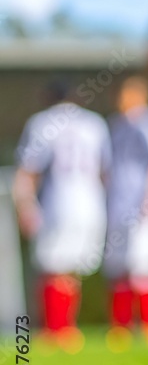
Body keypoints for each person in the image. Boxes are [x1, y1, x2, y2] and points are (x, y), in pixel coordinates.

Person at [12, 82, 111, 351]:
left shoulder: (41, 122)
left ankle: (57, 330)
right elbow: (106, 172)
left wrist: (25, 206)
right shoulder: (95, 124)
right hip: (92, 203)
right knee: (72, 269)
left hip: (58, 202)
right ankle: (66, 328)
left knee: (53, 266)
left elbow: (27, 170)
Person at [104, 76, 148, 350]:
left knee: (143, 266)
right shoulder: (115, 126)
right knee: (118, 267)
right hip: (118, 206)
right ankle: (121, 328)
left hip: (144, 208)